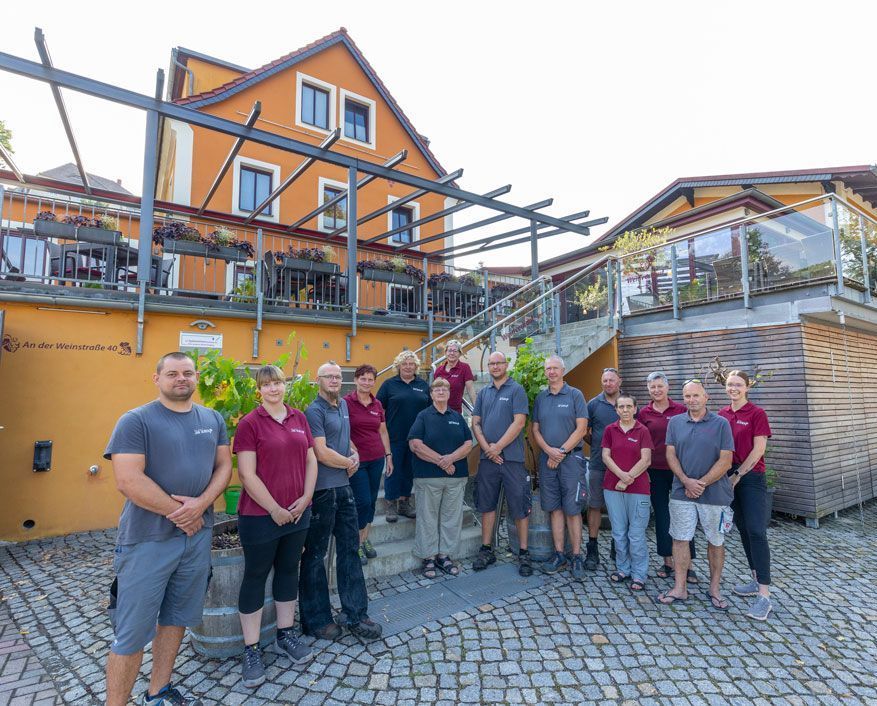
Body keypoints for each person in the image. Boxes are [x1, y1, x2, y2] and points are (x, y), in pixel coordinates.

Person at [104, 352, 232, 706]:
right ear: (156, 378)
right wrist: (183, 512)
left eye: (188, 373)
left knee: (176, 618)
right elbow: (128, 480)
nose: (181, 379)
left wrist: (202, 505)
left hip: (196, 538)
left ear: (196, 378)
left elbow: (224, 466)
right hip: (148, 540)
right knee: (131, 634)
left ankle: (157, 692)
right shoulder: (136, 421)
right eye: (173, 373)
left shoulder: (212, 418)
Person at [233, 365, 318, 688]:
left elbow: (311, 460)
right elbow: (246, 474)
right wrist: (274, 509)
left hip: (298, 513)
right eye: (266, 385)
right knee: (255, 576)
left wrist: (307, 497)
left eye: (278, 383)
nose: (273, 389)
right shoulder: (250, 423)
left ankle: (285, 634)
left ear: (286, 386)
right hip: (259, 515)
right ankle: (251, 649)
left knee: (287, 571)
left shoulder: (299, 418)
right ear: (259, 390)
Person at [299, 362, 382, 641]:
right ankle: (316, 619)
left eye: (337, 376)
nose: (334, 380)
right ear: (318, 380)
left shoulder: (343, 407)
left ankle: (355, 613)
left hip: (344, 488)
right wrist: (348, 461)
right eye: (329, 376)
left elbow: (343, 441)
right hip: (323, 491)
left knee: (350, 551)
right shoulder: (315, 411)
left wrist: (354, 455)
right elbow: (321, 452)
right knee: (314, 557)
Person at [658, 380, 734, 610]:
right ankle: (680, 587)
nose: (691, 400)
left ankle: (714, 588)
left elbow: (726, 460)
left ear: (706, 397)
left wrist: (700, 484)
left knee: (716, 540)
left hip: (714, 494)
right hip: (682, 492)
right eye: (687, 396)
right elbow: (670, 455)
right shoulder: (675, 423)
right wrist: (685, 481)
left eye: (696, 395)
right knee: (680, 538)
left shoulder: (721, 424)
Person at [718, 370, 774, 621]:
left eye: (738, 384)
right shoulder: (722, 414)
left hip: (749, 478)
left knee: (756, 530)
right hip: (727, 478)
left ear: (747, 387)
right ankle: (753, 578)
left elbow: (759, 449)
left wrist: (738, 474)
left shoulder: (756, 413)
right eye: (730, 385)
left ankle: (764, 596)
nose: (734, 388)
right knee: (742, 529)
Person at [471, 351, 532, 576]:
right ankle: (486, 549)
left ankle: (524, 553)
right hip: (488, 460)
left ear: (506, 365)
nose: (495, 366)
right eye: (491, 363)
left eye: (499, 363)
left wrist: (498, 447)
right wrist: (488, 448)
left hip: (512, 459)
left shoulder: (516, 390)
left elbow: (519, 423)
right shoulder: (483, 393)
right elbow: (476, 423)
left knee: (519, 507)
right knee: (486, 505)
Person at [407, 378, 473, 578]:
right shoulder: (423, 416)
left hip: (456, 477)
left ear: (450, 392)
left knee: (451, 518)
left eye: (445, 388)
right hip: (428, 478)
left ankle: (444, 556)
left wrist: (452, 458)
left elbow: (469, 443)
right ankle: (428, 557)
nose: (441, 391)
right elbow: (415, 445)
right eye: (437, 389)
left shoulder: (457, 416)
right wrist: (442, 461)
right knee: (428, 518)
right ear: (431, 394)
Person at [530, 355, 589, 579]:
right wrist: (549, 451)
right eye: (548, 369)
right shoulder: (541, 398)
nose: (551, 372)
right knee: (554, 508)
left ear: (563, 370)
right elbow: (535, 430)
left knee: (573, 510)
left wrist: (561, 451)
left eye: (555, 368)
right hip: (548, 461)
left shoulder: (575, 395)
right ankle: (559, 554)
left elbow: (581, 429)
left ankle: (576, 556)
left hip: (571, 460)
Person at [637, 372, 698, 583]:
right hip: (655, 471)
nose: (656, 390)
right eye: (652, 387)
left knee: (684, 516)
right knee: (662, 516)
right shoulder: (643, 413)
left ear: (667, 387)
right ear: (648, 389)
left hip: (680, 470)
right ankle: (667, 561)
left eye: (659, 386)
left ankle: (688, 564)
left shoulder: (681, 410)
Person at [601, 394, 653, 592]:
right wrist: (621, 476)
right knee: (619, 532)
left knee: (636, 534)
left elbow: (646, 460)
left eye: (628, 406)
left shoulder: (643, 431)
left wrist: (628, 477)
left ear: (635, 408)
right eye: (621, 407)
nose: (624, 410)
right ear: (616, 410)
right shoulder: (610, 430)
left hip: (638, 489)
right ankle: (623, 569)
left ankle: (639, 574)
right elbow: (606, 457)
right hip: (612, 488)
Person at [344, 364, 393, 565]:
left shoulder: (377, 404)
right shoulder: (345, 403)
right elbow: (342, 431)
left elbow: (382, 431)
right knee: (361, 501)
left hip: (376, 459)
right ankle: (355, 543)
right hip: (357, 461)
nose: (366, 382)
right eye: (362, 378)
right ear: (355, 380)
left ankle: (364, 540)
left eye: (370, 379)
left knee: (371, 501)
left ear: (374, 381)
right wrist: (353, 451)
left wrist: (388, 455)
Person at [376, 350, 430, 522]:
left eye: (411, 364)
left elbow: (430, 409)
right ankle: (391, 504)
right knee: (393, 470)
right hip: (395, 436)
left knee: (409, 470)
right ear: (398, 366)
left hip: (416, 437)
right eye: (404, 364)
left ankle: (404, 503)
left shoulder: (423, 385)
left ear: (416, 367)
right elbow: (379, 409)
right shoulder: (389, 385)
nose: (408, 366)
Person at [584, 367, 622, 571]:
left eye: (611, 380)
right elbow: (584, 431)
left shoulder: (627, 404)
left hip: (623, 467)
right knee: (595, 505)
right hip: (599, 464)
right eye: (605, 380)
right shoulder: (593, 404)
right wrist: (600, 446)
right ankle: (592, 547)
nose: (608, 384)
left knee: (619, 508)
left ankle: (618, 546)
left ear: (619, 382)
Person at [432, 339, 476, 413]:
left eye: (455, 351)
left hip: (455, 412)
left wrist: (477, 409)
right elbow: (435, 391)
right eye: (449, 350)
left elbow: (470, 390)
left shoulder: (464, 368)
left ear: (459, 353)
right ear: (445, 353)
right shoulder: (439, 370)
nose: (452, 353)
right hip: (438, 410)